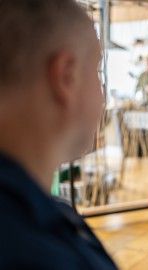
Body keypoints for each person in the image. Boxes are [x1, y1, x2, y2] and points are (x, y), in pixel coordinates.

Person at [0, 0, 117, 269]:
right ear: (67, 76)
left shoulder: (39, 214)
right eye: (97, 73)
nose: (101, 95)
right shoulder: (34, 251)